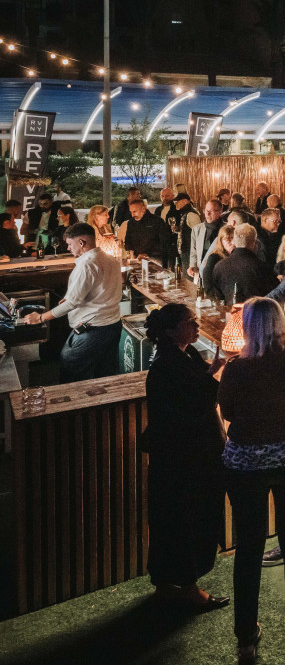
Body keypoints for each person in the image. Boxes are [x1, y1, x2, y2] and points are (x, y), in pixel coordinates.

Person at [218, 297, 285, 661]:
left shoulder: (236, 368)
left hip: (246, 465)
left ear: (247, 328)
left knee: (249, 547)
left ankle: (246, 637)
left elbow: (228, 412)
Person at [143, 304, 228, 610]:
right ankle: (189, 587)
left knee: (171, 519)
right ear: (170, 331)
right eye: (190, 322)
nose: (196, 326)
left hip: (180, 457)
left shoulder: (183, 354)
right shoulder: (167, 364)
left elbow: (194, 389)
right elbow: (192, 405)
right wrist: (214, 374)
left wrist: (210, 371)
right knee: (186, 520)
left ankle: (165, 583)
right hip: (183, 459)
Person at [23, 223, 122, 383]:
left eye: (70, 244)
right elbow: (101, 290)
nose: (68, 248)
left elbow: (71, 304)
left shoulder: (87, 265)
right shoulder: (111, 259)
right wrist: (71, 298)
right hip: (113, 326)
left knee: (72, 370)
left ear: (81, 243)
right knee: (105, 375)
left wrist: (40, 318)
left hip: (92, 329)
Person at [210, 224, 277, 304]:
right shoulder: (263, 268)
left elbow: (219, 297)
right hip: (256, 310)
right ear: (254, 242)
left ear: (234, 241)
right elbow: (273, 295)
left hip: (230, 310)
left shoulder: (219, 267)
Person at [119, 198, 172, 266]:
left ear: (143, 209)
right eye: (131, 212)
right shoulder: (131, 222)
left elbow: (165, 243)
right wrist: (132, 254)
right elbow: (128, 241)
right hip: (137, 259)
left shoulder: (157, 221)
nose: (132, 215)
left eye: (134, 211)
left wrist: (148, 254)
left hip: (155, 259)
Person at [188, 199, 226, 279]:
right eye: (206, 211)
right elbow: (193, 251)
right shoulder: (197, 229)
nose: (208, 214)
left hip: (220, 270)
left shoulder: (225, 229)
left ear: (220, 212)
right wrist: (192, 266)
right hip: (201, 270)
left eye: (211, 211)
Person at [165, 192, 202, 266]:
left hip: (189, 252)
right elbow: (188, 230)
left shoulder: (191, 215)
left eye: (177, 201)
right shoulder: (186, 213)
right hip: (186, 252)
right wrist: (178, 229)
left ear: (185, 201)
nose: (175, 204)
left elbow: (198, 234)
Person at [200, 225, 235, 291]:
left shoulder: (237, 255)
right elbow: (207, 282)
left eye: (234, 239)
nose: (232, 243)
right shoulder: (214, 257)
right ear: (221, 242)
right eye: (228, 240)